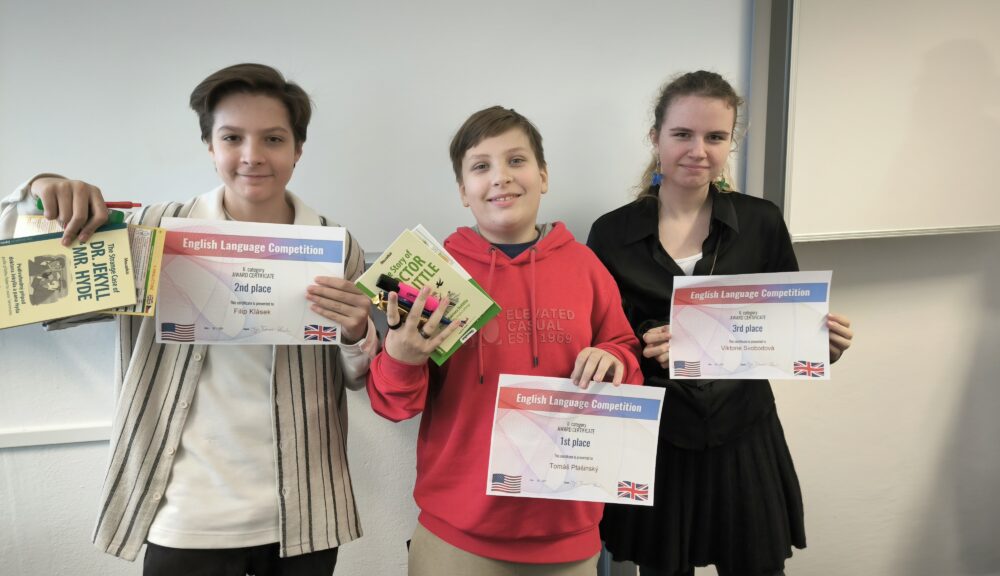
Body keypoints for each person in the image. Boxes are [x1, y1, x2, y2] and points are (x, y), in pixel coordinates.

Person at [0, 63, 378, 575]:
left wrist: (356, 333)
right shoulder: (154, 230)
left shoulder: (336, 244)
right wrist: (43, 186)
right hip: (184, 513)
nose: (252, 155)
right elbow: (23, 273)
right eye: (232, 137)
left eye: (273, 138)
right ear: (209, 146)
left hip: (306, 513)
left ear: (298, 149)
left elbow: (358, 377)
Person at [586, 71, 855, 576]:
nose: (698, 151)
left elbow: (785, 333)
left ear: (731, 141)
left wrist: (822, 347)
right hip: (660, 439)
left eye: (715, 136)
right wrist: (642, 346)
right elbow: (602, 342)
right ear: (655, 138)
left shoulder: (761, 222)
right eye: (682, 134)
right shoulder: (610, 233)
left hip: (743, 431)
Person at [366, 106, 644, 576]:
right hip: (456, 533)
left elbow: (627, 357)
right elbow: (392, 404)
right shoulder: (432, 275)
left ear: (543, 176)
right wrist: (401, 357)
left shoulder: (586, 267)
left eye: (516, 160)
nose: (501, 177)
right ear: (463, 191)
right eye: (481, 166)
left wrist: (613, 357)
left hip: (568, 531)